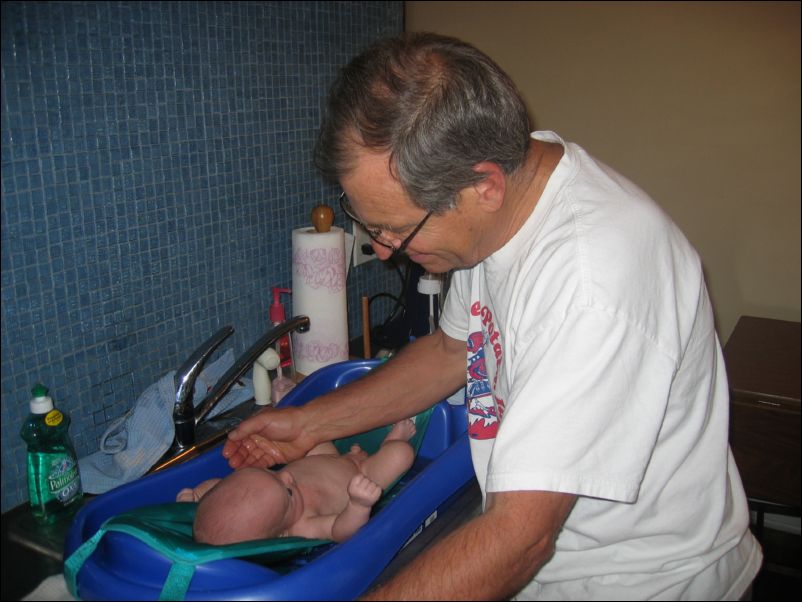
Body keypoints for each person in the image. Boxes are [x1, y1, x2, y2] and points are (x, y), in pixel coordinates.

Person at [223, 32, 762, 600]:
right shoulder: (510, 209)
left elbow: (519, 536)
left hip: (642, 584)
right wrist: (310, 424)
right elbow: (453, 351)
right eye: (370, 226)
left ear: (484, 185)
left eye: (394, 229)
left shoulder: (591, 281)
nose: (382, 252)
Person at [179, 420, 416, 545]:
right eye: (288, 492)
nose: (286, 475)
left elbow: (223, 490)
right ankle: (391, 443)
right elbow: (341, 531)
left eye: (272, 474)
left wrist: (199, 496)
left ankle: (287, 402)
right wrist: (358, 505)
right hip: (361, 474)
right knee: (401, 455)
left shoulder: (256, 495)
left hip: (319, 455)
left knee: (303, 433)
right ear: (283, 534)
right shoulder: (303, 527)